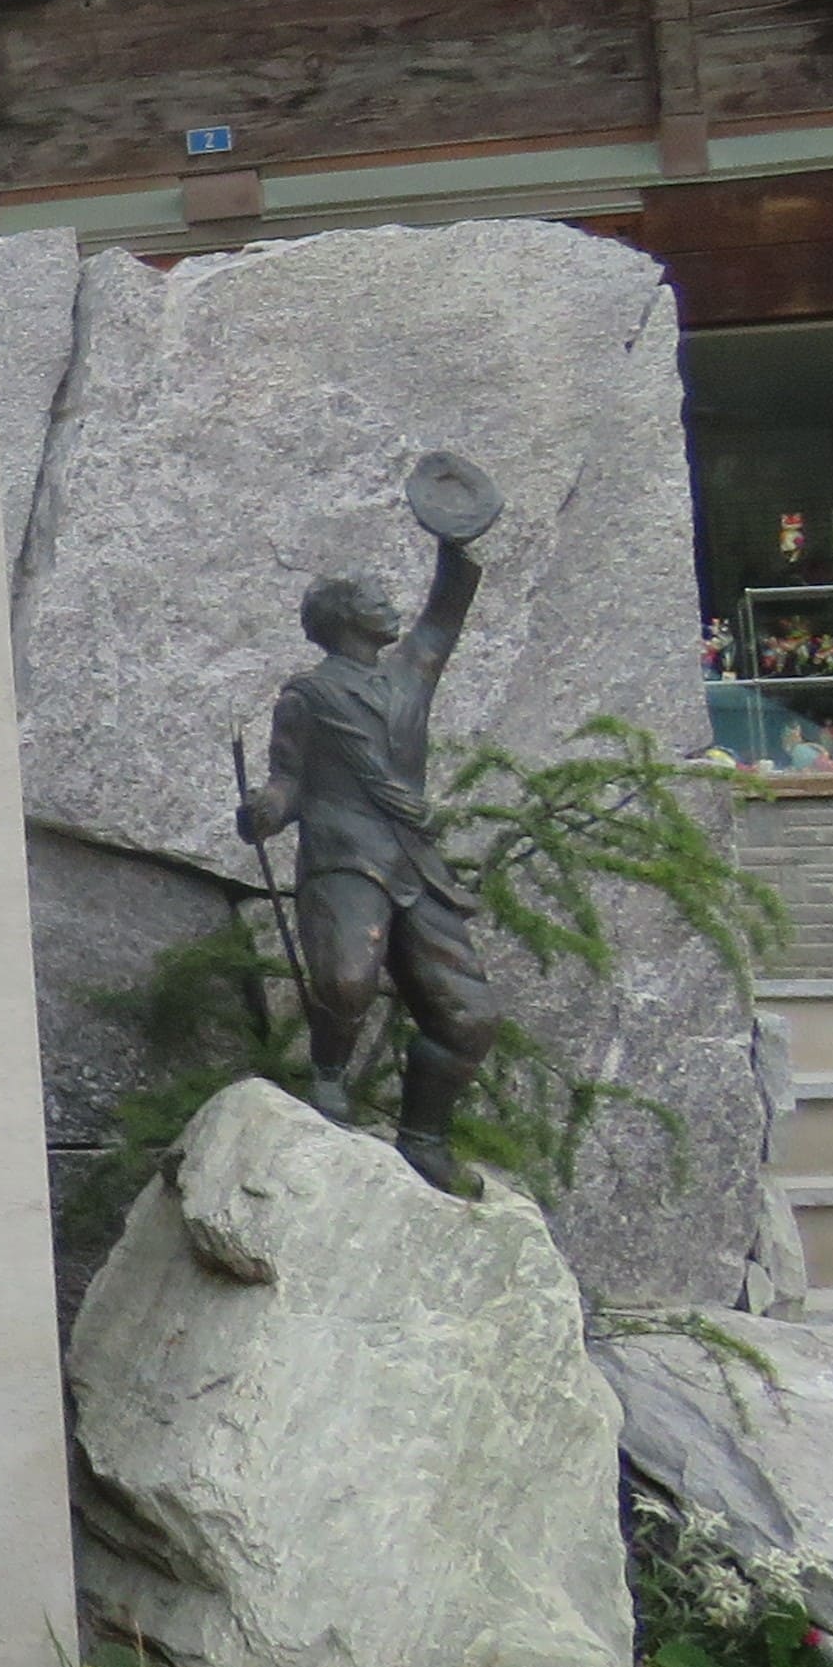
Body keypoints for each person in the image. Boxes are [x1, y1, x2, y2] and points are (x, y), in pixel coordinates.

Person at [237, 471, 502, 1195]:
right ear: (344, 619)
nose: (392, 606)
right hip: (346, 854)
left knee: (469, 1016)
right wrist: (265, 809)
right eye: (376, 599)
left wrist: (454, 538)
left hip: (415, 862)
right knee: (346, 978)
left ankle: (423, 1137)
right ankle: (328, 1079)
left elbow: (444, 612)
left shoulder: (410, 673)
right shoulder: (308, 695)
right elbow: (287, 779)